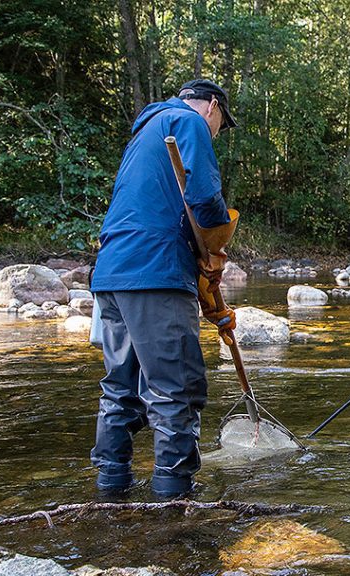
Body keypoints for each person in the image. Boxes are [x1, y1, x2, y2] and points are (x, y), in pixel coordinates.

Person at [90, 79, 238, 498]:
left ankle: (111, 489)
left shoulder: (143, 133)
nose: (216, 133)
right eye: (221, 125)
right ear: (212, 107)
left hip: (111, 273)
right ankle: (175, 500)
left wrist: (207, 288)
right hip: (154, 269)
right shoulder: (187, 121)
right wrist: (214, 248)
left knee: (121, 388)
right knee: (177, 389)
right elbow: (206, 200)